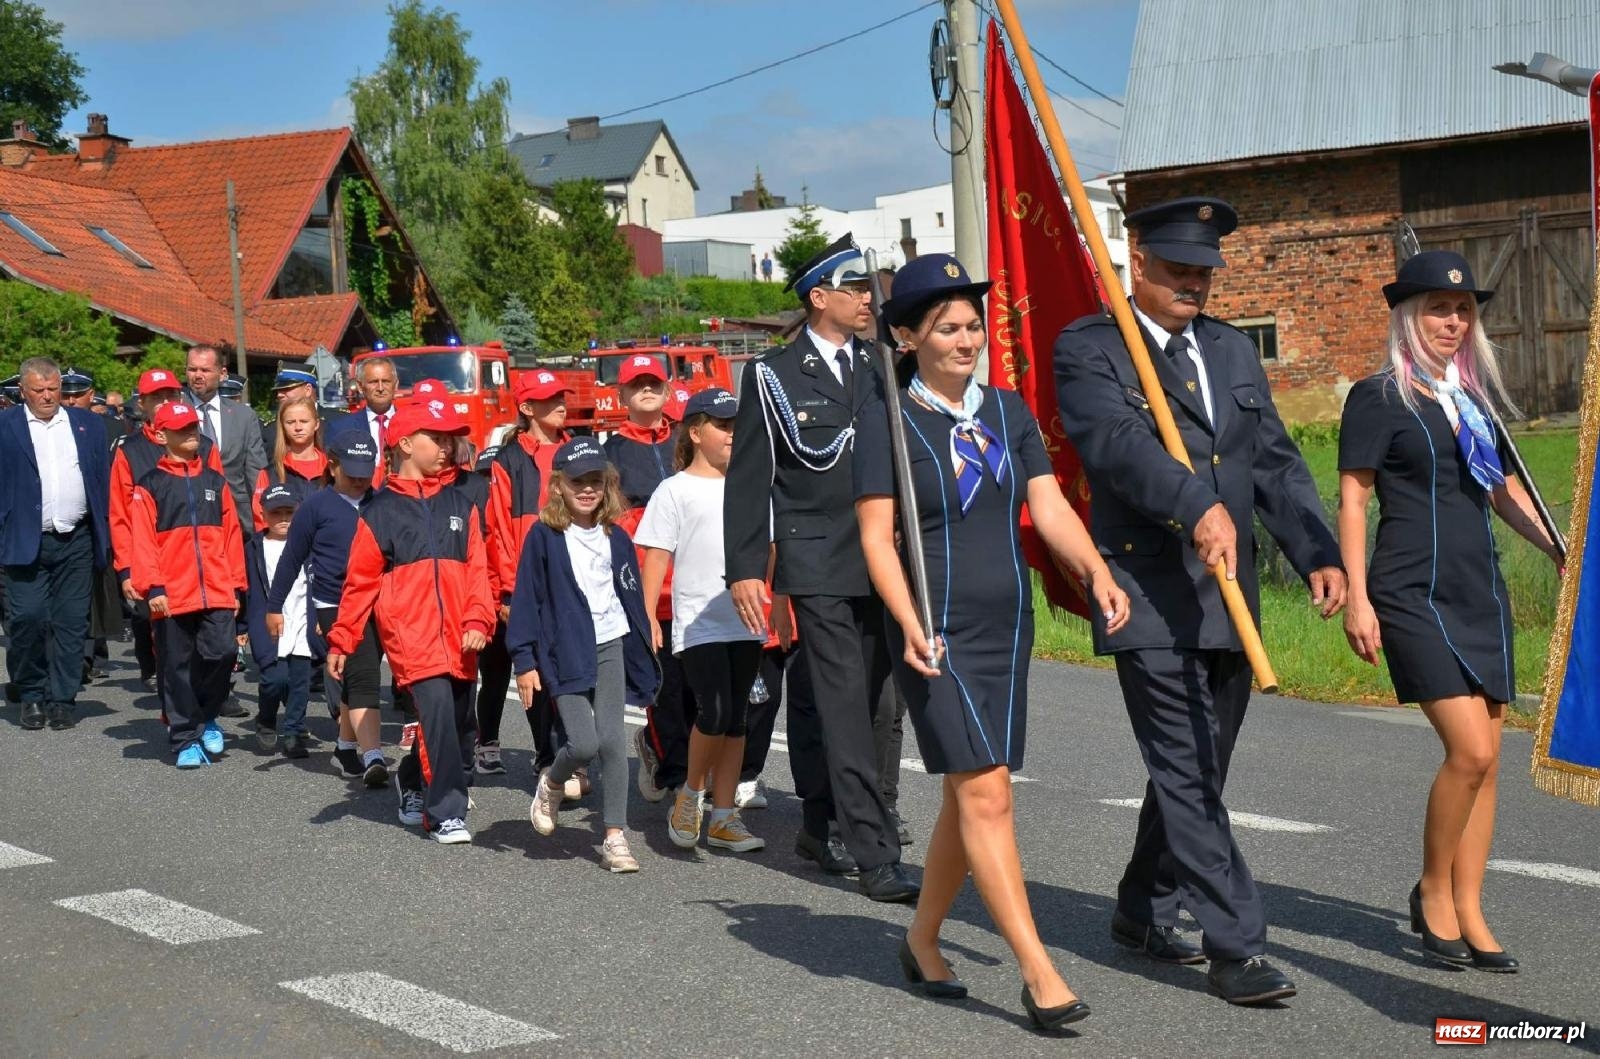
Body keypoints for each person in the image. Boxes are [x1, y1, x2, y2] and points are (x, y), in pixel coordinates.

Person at [1054, 197, 1346, 1005]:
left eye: (1205, 270)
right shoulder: (1092, 347)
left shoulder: (1229, 350)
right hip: (1145, 590)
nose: (1194, 283)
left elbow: (1275, 462)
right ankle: (1236, 945)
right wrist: (1192, 502)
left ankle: (1142, 908)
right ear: (1136, 258)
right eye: (1179, 266)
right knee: (1184, 765)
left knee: (1197, 768)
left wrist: (1316, 551)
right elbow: (1114, 447)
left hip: (1228, 598)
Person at [855, 254, 1124, 1027]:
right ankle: (1040, 973)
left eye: (974, 324)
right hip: (932, 629)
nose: (968, 338)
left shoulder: (1006, 412)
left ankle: (921, 937)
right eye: (948, 327)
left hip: (1007, 628)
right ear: (907, 337)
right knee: (986, 791)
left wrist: (1095, 571)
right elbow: (877, 538)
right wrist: (907, 619)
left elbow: (1048, 504)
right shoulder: (889, 421)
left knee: (968, 791)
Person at [1338, 251, 1559, 973]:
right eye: (1439, 308)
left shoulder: (1473, 402)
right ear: (1409, 316)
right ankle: (1433, 889)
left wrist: (1561, 548)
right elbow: (1353, 498)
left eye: (1463, 310)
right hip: (1409, 593)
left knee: (1491, 764)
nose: (1453, 321)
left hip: (1478, 591)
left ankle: (1469, 906)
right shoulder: (1378, 398)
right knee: (1469, 751)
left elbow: (1502, 492)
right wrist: (1358, 599)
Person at [724, 233, 917, 902]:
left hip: (885, 556)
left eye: (869, 288)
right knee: (840, 700)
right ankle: (873, 848)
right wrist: (746, 565)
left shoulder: (886, 363)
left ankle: (843, 817)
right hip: (816, 557)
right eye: (855, 288)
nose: (868, 297)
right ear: (819, 297)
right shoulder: (773, 374)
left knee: (883, 701)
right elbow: (750, 478)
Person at [326, 399, 494, 844]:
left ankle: (412, 781)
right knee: (436, 716)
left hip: (462, 637)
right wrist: (342, 640)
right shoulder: (379, 511)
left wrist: (479, 618)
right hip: (411, 638)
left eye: (448, 439)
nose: (445, 447)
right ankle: (445, 814)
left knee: (459, 730)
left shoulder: (462, 502)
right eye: (434, 439)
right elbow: (359, 582)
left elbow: (479, 570)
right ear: (404, 444)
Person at [510, 438, 660, 873]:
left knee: (613, 742)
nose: (588, 489)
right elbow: (526, 600)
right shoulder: (544, 536)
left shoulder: (616, 535)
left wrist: (645, 630)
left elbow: (628, 591)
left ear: (608, 486)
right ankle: (553, 781)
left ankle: (615, 835)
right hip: (564, 652)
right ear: (559, 485)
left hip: (611, 642)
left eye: (596, 481)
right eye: (578, 482)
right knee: (584, 742)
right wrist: (524, 660)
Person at [638, 388, 768, 854]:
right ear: (695, 432)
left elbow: (770, 551)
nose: (733, 434)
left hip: (749, 619)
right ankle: (690, 795)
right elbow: (656, 557)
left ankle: (724, 816)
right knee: (712, 712)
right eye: (723, 426)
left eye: (737, 426)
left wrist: (783, 608)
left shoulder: (752, 485)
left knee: (737, 719)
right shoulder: (674, 489)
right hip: (699, 621)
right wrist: (648, 616)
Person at [128, 401, 247, 767]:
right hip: (172, 594)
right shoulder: (150, 486)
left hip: (216, 589)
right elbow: (143, 542)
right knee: (175, 666)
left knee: (223, 654)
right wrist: (154, 587)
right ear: (161, 436)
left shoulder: (215, 482)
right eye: (182, 430)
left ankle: (206, 714)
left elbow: (231, 535)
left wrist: (236, 585)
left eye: (194, 428)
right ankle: (183, 738)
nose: (192, 434)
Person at [267, 431, 387, 784]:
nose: (360, 481)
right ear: (332, 466)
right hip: (333, 602)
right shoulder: (315, 507)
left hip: (374, 598)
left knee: (353, 675)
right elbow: (291, 559)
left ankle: (346, 745)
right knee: (364, 672)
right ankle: (374, 755)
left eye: (366, 473)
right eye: (352, 474)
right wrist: (275, 606)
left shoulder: (380, 504)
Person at [0, 357, 112, 731]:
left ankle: (62, 698)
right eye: (39, 390)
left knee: (70, 623)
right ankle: (31, 692)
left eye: (53, 389)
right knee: (27, 619)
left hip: (76, 539)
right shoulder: (6, 426)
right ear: (22, 391)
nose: (48, 397)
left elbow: (101, 480)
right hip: (24, 538)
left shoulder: (88, 425)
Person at [602, 354, 695, 804]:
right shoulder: (610, 453)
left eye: (653, 383)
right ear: (621, 394)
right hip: (647, 586)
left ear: (667, 389)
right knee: (665, 686)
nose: (646, 389)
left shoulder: (687, 439)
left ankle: (689, 763)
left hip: (696, 581)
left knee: (700, 686)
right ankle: (676, 774)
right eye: (637, 384)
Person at [482, 369, 573, 779]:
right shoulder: (508, 461)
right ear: (526, 408)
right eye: (548, 398)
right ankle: (547, 756)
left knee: (572, 669)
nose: (560, 403)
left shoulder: (579, 452)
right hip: (528, 584)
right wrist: (506, 592)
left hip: (575, 581)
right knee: (536, 670)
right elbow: (498, 530)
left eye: (561, 396)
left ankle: (569, 754)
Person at [110, 369, 224, 691]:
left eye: (170, 395)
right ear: (142, 403)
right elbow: (119, 515)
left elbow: (219, 507)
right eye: (156, 397)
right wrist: (126, 569)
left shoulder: (204, 445)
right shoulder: (128, 451)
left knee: (212, 642)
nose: (164, 402)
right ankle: (179, 710)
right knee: (171, 642)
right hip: (156, 563)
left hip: (202, 563)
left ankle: (206, 698)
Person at [246, 484, 319, 758]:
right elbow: (246, 589)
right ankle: (266, 718)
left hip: (302, 621)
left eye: (290, 512)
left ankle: (293, 732)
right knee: (274, 680)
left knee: (300, 683)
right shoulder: (253, 547)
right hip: (269, 623)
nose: (284, 519)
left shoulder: (309, 545)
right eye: (277, 513)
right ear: (263, 514)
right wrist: (241, 626)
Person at [185, 343, 268, 519]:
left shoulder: (243, 416)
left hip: (237, 514)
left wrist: (263, 515)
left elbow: (255, 470)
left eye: (205, 370)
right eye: (192, 369)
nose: (198, 376)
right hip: (189, 512)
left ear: (222, 374)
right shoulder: (177, 411)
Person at [252, 395, 328, 530]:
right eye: (290, 422)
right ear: (282, 426)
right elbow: (261, 521)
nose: (298, 427)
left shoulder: (333, 469)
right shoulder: (270, 473)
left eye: (304, 421)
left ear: (316, 424)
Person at [261, 366, 319, 455]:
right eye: (278, 390)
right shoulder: (269, 430)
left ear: (308, 390)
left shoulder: (337, 422)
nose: (279, 395)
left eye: (286, 389)